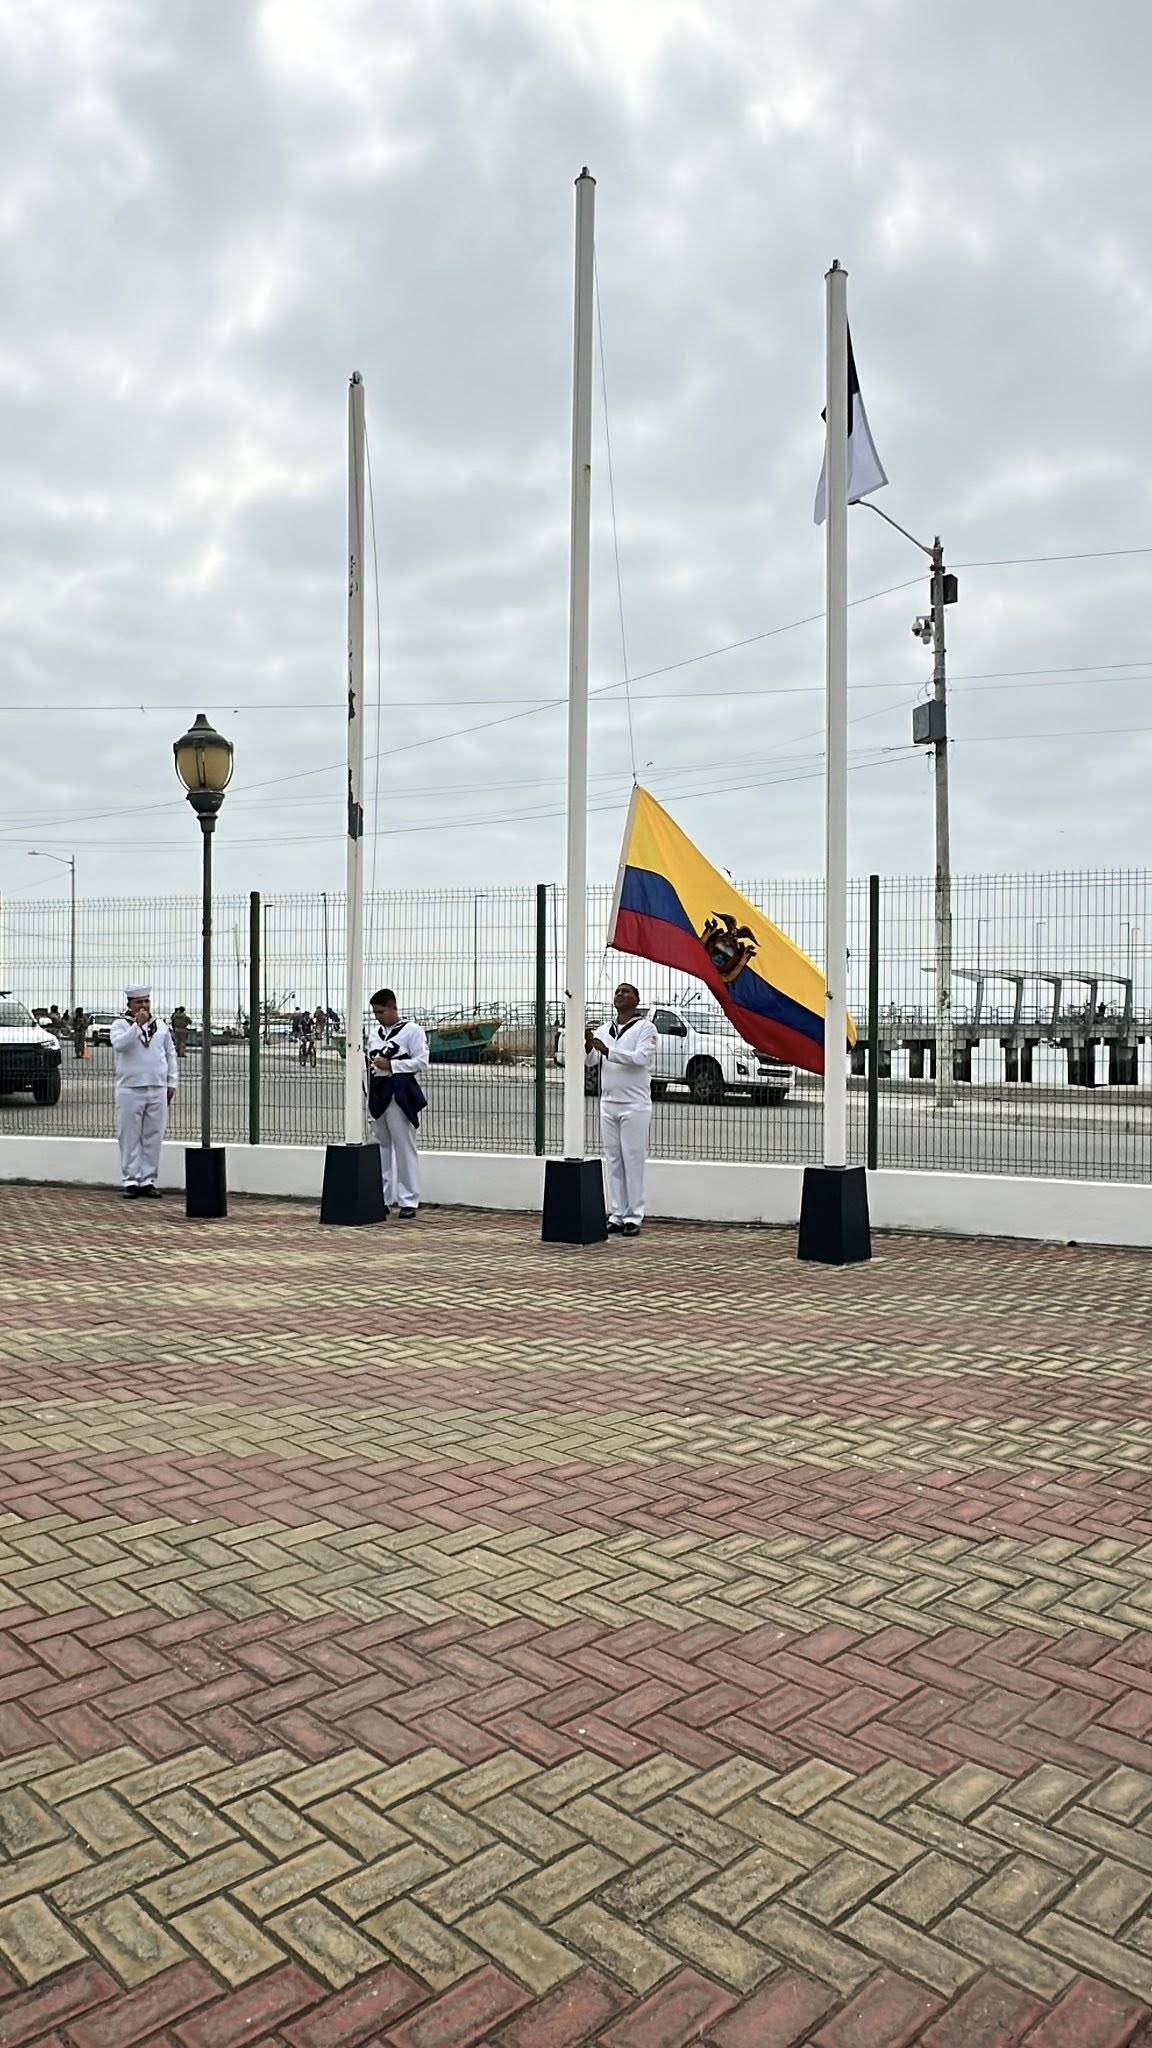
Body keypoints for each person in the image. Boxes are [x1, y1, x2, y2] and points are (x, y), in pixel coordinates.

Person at [586, 983, 658, 1237]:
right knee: (614, 1159)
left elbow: (640, 1058)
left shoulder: (645, 1028)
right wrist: (589, 1045)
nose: (620, 995)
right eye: (617, 992)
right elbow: (592, 1061)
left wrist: (609, 1051)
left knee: (633, 1159)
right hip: (609, 1102)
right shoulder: (605, 1029)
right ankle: (617, 1213)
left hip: (634, 1105)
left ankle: (634, 1216)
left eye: (626, 992)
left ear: (636, 1000)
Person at [111, 985, 177, 1200]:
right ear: (129, 1005)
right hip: (130, 1088)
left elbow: (170, 1054)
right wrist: (136, 1027)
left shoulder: (161, 1026)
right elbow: (120, 1045)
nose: (144, 1005)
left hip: (157, 1087)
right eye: (139, 1002)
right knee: (129, 1136)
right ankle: (131, 1180)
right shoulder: (120, 1025)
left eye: (146, 1001)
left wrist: (172, 1082)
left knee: (153, 1136)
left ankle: (148, 1180)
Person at [367, 988, 429, 1218]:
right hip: (378, 1092)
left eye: (381, 1011)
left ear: (393, 1008)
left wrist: (393, 1066)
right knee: (381, 1146)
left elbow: (422, 1062)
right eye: (375, 1012)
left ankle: (409, 1200)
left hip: (400, 1093)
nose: (378, 1016)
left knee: (404, 1146)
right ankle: (383, 1198)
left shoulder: (412, 1031)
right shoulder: (374, 1034)